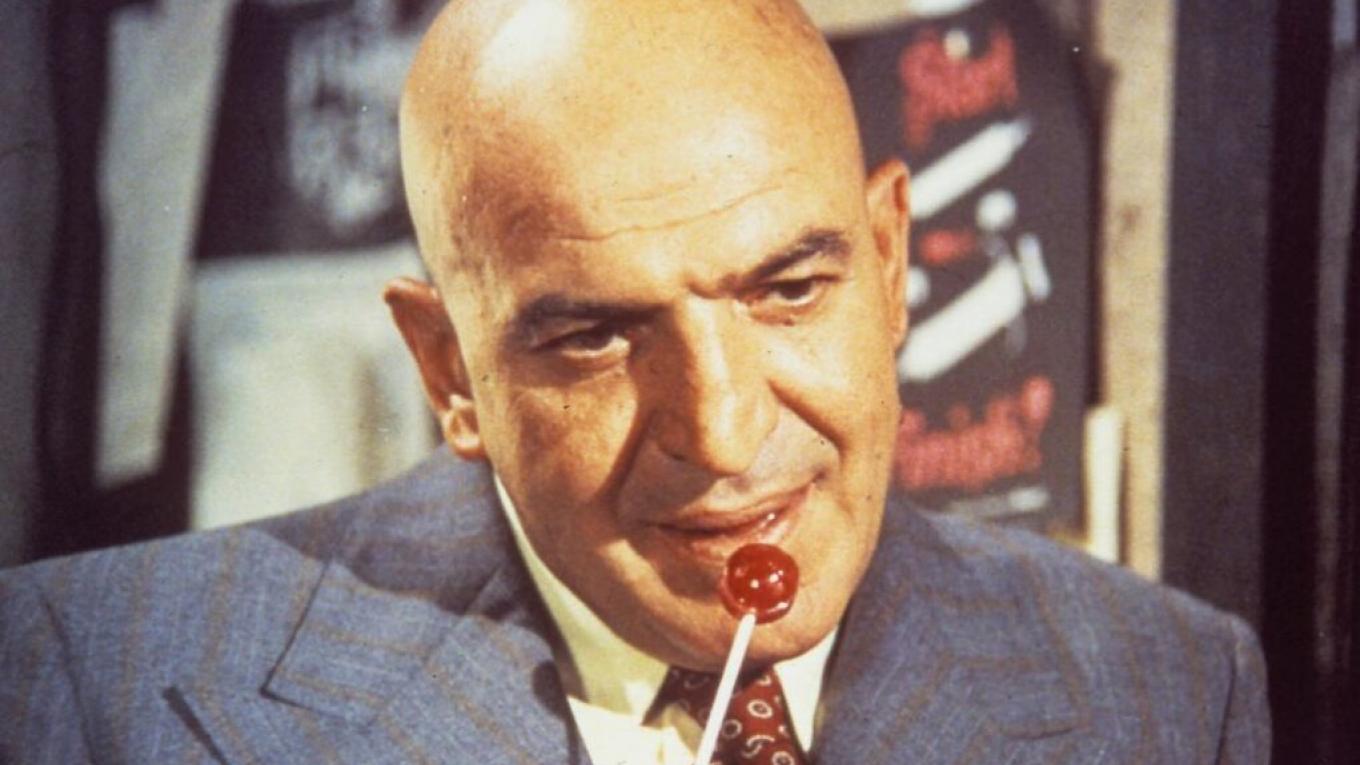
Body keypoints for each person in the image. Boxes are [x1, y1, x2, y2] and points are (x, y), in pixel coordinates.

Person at [0, 0, 1269, 763]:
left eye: (788, 289)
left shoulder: (1169, 687)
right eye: (597, 338)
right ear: (449, 371)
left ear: (889, 265)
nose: (723, 433)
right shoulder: (84, 679)